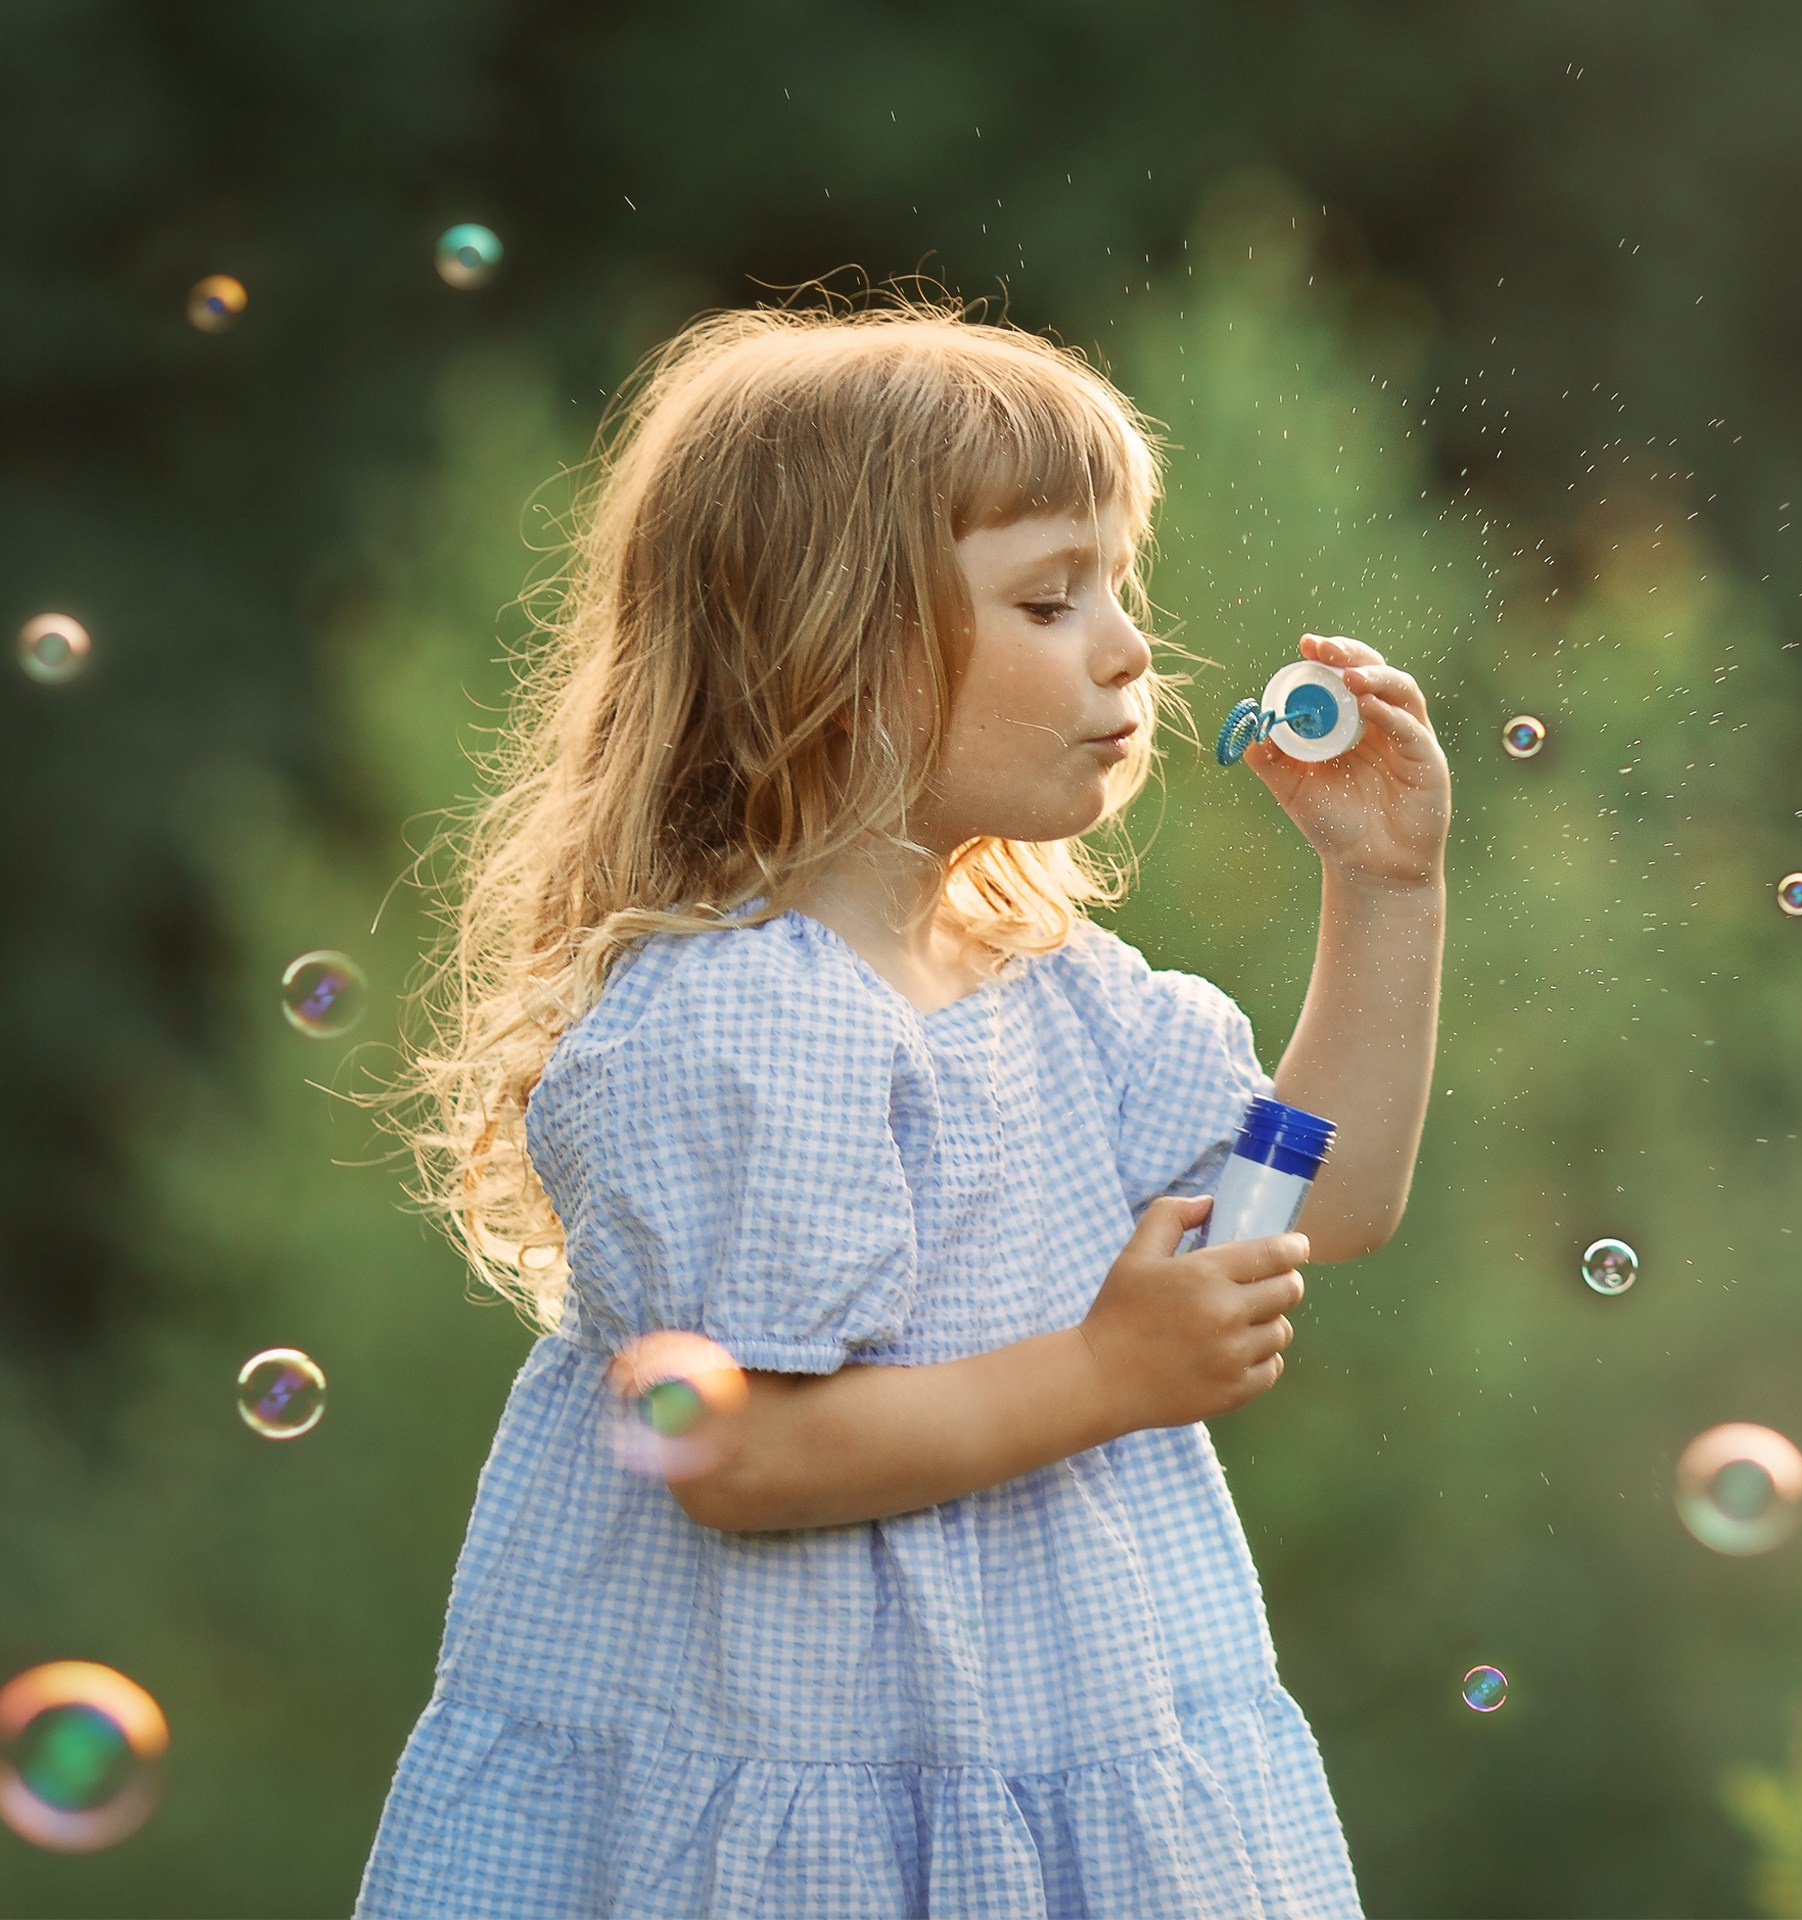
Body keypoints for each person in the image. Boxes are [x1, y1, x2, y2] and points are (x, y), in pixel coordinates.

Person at [356, 302, 1449, 1918]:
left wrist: (1387, 884)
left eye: (1119, 586)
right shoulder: (741, 1024)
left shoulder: (1064, 992)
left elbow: (1324, 1204)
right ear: (837, 651)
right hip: (805, 1792)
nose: (1132, 648)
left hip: (1052, 1738)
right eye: (1049, 597)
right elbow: (737, 1456)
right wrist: (1103, 1372)